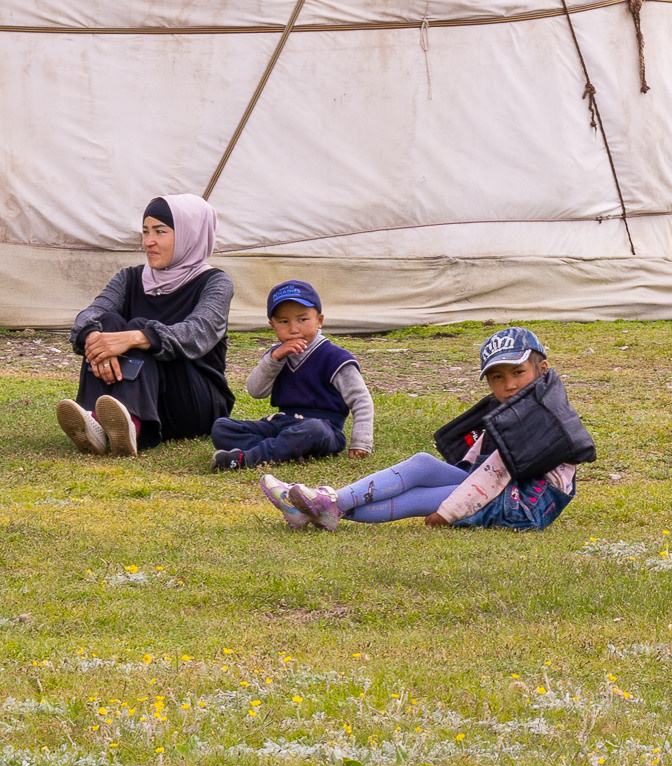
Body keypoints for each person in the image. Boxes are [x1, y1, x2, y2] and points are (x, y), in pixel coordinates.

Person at [260, 326, 593, 532]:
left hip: (523, 503)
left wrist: (448, 513)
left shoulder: (539, 416)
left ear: (542, 368)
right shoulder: (524, 404)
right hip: (506, 488)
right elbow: (480, 458)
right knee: (422, 463)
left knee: (427, 498)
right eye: (497, 377)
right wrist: (453, 475)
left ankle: (325, 505)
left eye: (518, 373)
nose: (508, 385)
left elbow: (494, 473)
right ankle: (320, 506)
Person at [62, 197, 235, 455]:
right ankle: (96, 420)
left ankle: (132, 424)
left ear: (191, 234)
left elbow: (198, 333)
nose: (148, 242)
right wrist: (92, 336)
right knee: (104, 323)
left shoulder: (215, 283)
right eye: (145, 232)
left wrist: (138, 337)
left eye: (160, 232)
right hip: (143, 393)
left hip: (192, 402)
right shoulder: (130, 278)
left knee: (140, 328)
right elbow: (89, 315)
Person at [210, 282, 375, 472]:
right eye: (283, 322)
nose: (293, 329)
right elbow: (256, 391)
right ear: (272, 325)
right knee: (222, 427)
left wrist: (361, 442)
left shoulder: (336, 358)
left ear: (319, 320)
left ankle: (245, 459)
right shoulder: (277, 355)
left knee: (311, 430)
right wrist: (274, 359)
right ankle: (282, 450)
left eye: (303, 319)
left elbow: (361, 401)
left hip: (323, 429)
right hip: (281, 424)